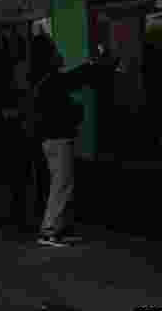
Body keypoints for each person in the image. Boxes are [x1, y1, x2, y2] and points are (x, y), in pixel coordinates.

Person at [26, 34, 115, 247]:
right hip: (57, 140)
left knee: (63, 184)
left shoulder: (45, 80)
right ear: (48, 56)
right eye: (56, 52)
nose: (60, 55)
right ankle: (49, 231)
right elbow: (76, 80)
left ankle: (59, 228)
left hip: (53, 140)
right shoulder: (51, 81)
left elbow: (77, 77)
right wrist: (76, 111)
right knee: (61, 186)